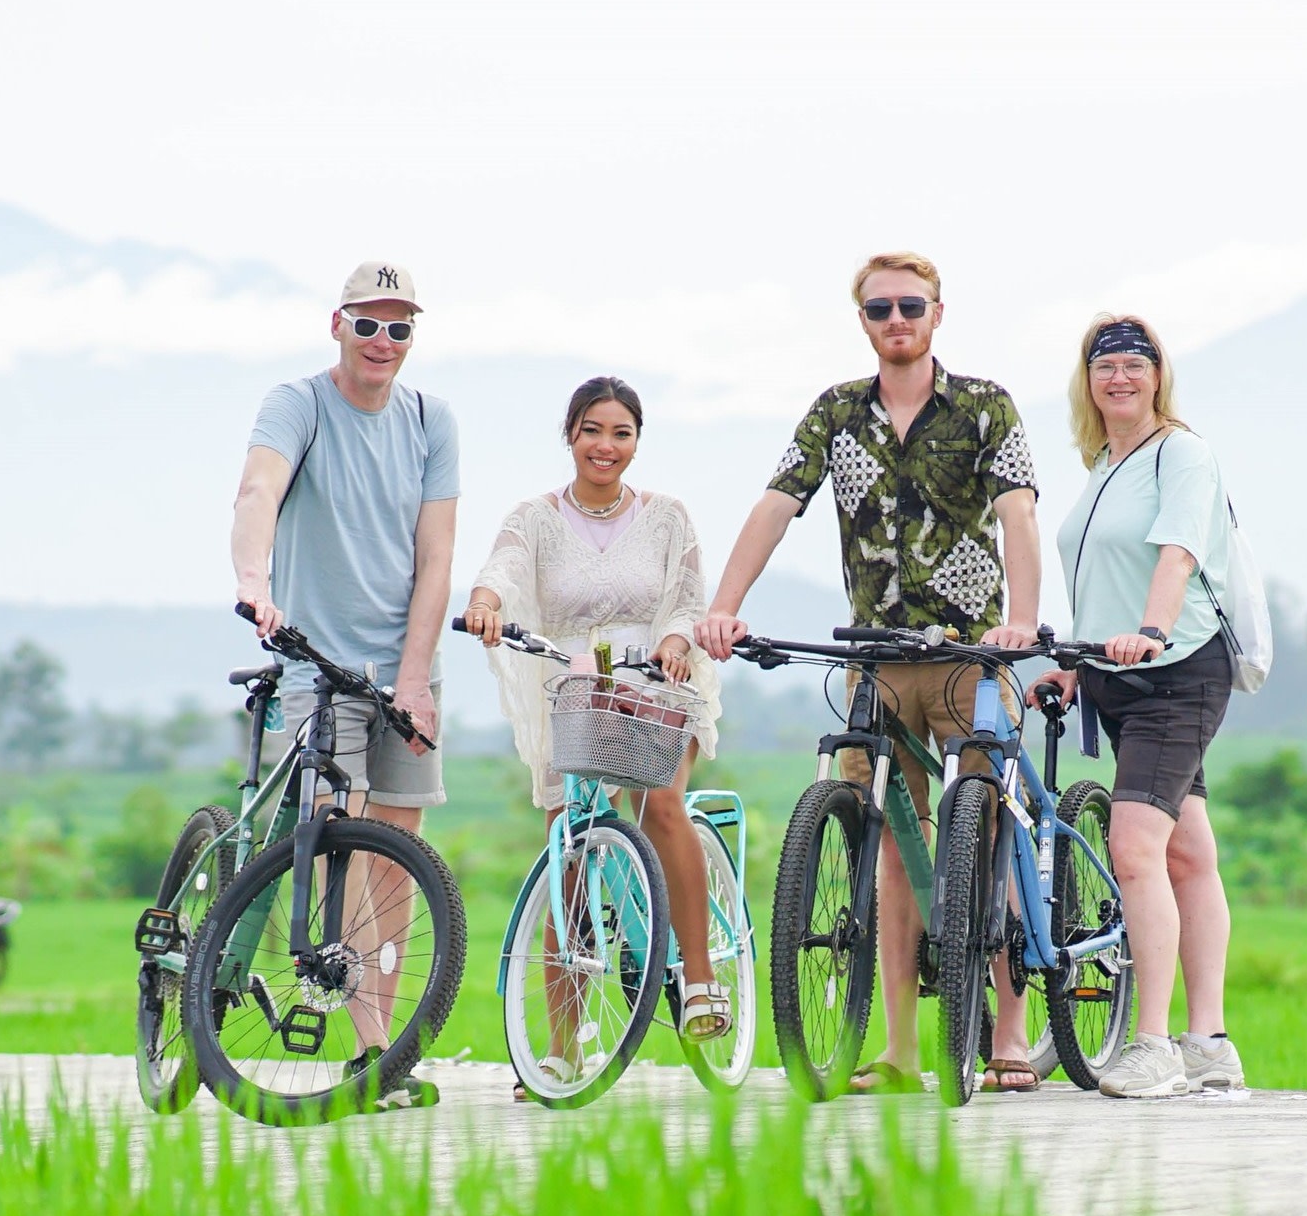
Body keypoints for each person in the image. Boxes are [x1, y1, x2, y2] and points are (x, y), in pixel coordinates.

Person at [695, 251, 1046, 1095]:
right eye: (881, 307)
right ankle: (898, 1049)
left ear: (936, 314)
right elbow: (777, 503)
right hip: (875, 658)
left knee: (986, 823)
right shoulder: (835, 414)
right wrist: (724, 605)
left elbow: (1019, 513)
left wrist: (1022, 621)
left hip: (969, 652)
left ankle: (1008, 1029)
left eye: (911, 306)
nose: (897, 319)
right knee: (890, 844)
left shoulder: (985, 406)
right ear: (863, 320)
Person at [228, 260, 459, 1105]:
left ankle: (381, 1054)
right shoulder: (299, 404)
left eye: (400, 328)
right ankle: (368, 1040)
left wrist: (414, 677)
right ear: (337, 325)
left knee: (400, 857)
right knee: (341, 833)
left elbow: (436, 557)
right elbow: (259, 487)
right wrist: (255, 578)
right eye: (368, 323)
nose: (383, 342)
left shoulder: (432, 421)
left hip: (407, 664)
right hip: (316, 662)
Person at [462, 377, 730, 1092]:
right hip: (576, 691)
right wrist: (485, 601)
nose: (605, 446)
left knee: (662, 804)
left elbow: (686, 598)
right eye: (591, 430)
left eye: (621, 432)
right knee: (567, 853)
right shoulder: (536, 518)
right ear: (570, 435)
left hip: (655, 684)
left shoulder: (669, 517)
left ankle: (700, 979)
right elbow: (504, 566)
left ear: (637, 441)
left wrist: (676, 643)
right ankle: (562, 1045)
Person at [1047, 315, 1240, 1098]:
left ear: (1159, 375)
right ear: (1087, 381)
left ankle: (1154, 1043)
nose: (1120, 376)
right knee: (1187, 853)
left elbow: (1178, 553)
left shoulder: (1181, 454)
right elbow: (1102, 581)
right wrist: (1078, 663)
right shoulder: (1103, 464)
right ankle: (1211, 1044)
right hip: (1114, 675)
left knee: (1134, 846)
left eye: (1136, 363)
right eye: (1105, 365)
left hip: (1178, 670)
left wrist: (1152, 629)